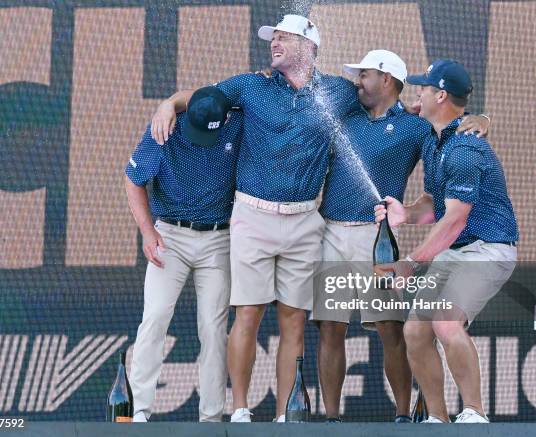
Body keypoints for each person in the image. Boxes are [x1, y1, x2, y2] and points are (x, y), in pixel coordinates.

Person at [151, 14, 361, 422]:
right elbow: (201, 98)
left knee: (294, 322)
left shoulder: (338, 91)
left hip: (305, 220)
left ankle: (286, 414)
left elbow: (391, 104)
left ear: (309, 46)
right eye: (273, 37)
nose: (274, 43)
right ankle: (241, 409)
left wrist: (478, 121)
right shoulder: (250, 86)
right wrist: (168, 103)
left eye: (283, 37)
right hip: (252, 215)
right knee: (247, 313)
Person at [313, 50, 490, 422]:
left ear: (387, 80)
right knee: (330, 327)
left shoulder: (416, 126)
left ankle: (402, 415)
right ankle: (330, 419)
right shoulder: (345, 119)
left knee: (390, 330)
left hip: (377, 240)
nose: (357, 82)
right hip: (330, 233)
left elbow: (452, 129)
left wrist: (481, 119)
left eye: (364, 75)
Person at [374, 59, 518, 423]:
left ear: (440, 95)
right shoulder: (434, 141)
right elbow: (435, 203)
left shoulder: (465, 149)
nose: (416, 91)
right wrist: (406, 214)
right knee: (415, 330)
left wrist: (411, 261)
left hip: (488, 247)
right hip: (456, 250)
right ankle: (438, 421)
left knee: (445, 322)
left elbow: (454, 220)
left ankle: (475, 414)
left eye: (423, 86)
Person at [125, 86, 242, 422]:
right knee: (156, 316)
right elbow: (134, 180)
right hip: (170, 236)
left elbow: (229, 91)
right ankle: (139, 412)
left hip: (219, 237)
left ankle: (211, 418)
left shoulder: (237, 120)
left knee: (213, 327)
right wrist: (148, 232)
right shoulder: (166, 126)